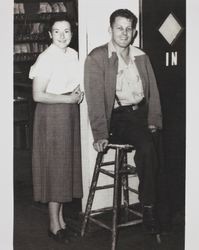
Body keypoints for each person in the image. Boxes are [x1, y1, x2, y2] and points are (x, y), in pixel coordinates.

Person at [84, 9, 163, 234]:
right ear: (110, 29)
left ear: (134, 32)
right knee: (147, 147)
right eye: (119, 28)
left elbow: (153, 93)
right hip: (118, 119)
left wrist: (153, 120)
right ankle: (148, 209)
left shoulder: (141, 56)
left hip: (141, 114)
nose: (124, 33)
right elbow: (95, 99)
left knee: (158, 148)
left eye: (129, 28)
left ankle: (156, 204)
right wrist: (99, 134)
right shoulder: (97, 57)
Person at [29, 15, 84, 244]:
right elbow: (37, 94)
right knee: (55, 168)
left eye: (67, 31)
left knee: (65, 167)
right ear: (49, 34)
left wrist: (78, 93)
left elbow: (75, 81)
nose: (62, 36)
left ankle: (61, 220)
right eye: (57, 31)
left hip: (68, 112)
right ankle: (53, 225)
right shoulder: (46, 58)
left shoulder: (73, 54)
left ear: (72, 34)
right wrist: (69, 100)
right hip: (52, 115)